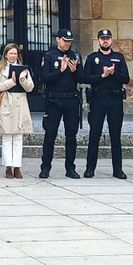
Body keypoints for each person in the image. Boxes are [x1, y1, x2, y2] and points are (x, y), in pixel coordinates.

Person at [81, 28, 130, 180]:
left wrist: (113, 73)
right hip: (98, 99)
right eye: (102, 38)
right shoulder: (92, 58)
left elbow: (126, 78)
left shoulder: (118, 57)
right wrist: (102, 75)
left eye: (107, 38)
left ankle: (118, 170)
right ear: (98, 40)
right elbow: (85, 78)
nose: (105, 40)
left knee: (116, 135)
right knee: (94, 134)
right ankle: (90, 169)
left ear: (111, 40)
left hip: (115, 99)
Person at [37, 29, 83, 180]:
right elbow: (44, 78)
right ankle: (45, 168)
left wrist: (75, 71)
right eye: (64, 40)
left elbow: (82, 78)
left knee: (71, 136)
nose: (67, 43)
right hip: (54, 100)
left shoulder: (75, 56)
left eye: (69, 41)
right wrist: (61, 71)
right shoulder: (49, 56)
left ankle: (70, 168)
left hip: (71, 99)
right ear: (58, 39)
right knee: (50, 134)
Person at [0, 42, 36, 178]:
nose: (12, 55)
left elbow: (30, 87)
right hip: (6, 102)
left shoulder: (24, 69)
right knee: (7, 136)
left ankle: (17, 166)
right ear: (6, 54)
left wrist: (22, 79)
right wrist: (11, 81)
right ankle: (8, 167)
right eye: (10, 53)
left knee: (18, 137)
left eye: (15, 53)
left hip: (20, 103)